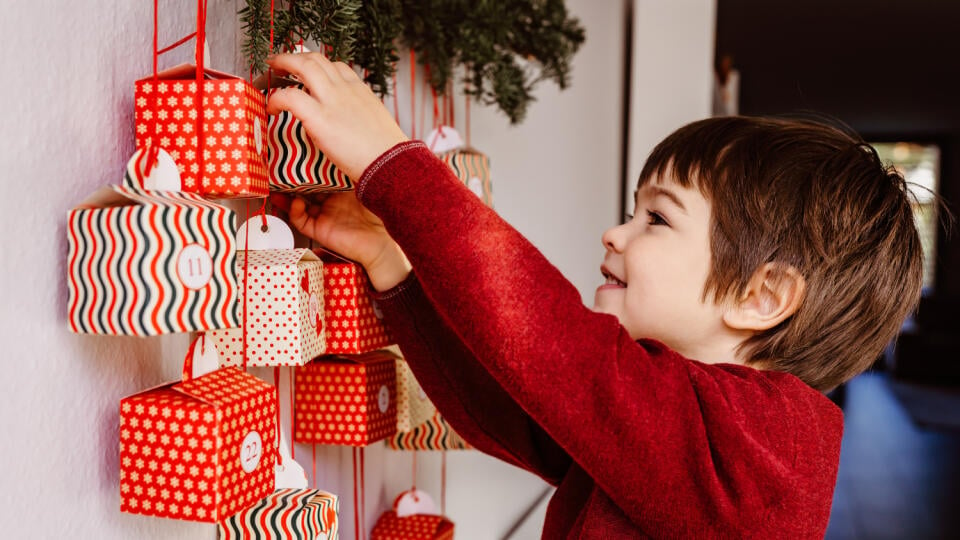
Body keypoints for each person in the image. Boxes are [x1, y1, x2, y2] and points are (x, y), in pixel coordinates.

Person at [265, 52, 924, 538]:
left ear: (762, 297)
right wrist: (391, 263)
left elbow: (558, 351)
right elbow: (510, 408)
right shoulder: (671, 426)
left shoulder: (757, 453)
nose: (614, 233)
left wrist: (391, 161)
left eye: (657, 219)